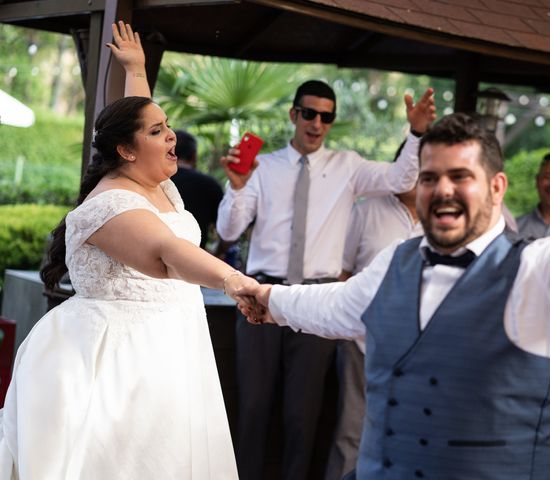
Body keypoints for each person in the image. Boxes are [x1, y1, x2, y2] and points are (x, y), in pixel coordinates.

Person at [107, 20, 436, 479]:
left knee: (303, 414)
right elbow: (227, 229)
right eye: (309, 113)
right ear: (293, 116)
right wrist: (239, 188)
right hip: (257, 294)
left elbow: (402, 180)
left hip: (318, 297)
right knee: (254, 407)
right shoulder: (262, 167)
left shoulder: (349, 166)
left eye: (326, 116)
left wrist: (416, 134)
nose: (317, 123)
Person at [239, 113, 550, 479]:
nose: (441, 190)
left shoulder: (548, 271)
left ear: (497, 187)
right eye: (429, 178)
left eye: (460, 176)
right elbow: (332, 305)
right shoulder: (393, 262)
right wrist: (267, 298)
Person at [0, 95, 261, 479]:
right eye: (158, 132)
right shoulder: (109, 203)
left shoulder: (158, 187)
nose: (171, 136)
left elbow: (138, 116)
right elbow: (166, 251)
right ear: (126, 150)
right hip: (120, 361)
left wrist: (136, 68)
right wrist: (233, 279)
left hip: (175, 350)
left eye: (168, 125)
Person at [325, 177, 423, 480]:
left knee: (411, 435)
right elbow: (342, 272)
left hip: (419, 351)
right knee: (352, 431)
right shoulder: (367, 211)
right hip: (363, 343)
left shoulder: (446, 219)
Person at [171, 129, 224, 249]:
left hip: (153, 260)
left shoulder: (154, 181)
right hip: (196, 257)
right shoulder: (210, 184)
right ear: (194, 156)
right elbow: (225, 230)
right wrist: (218, 253)